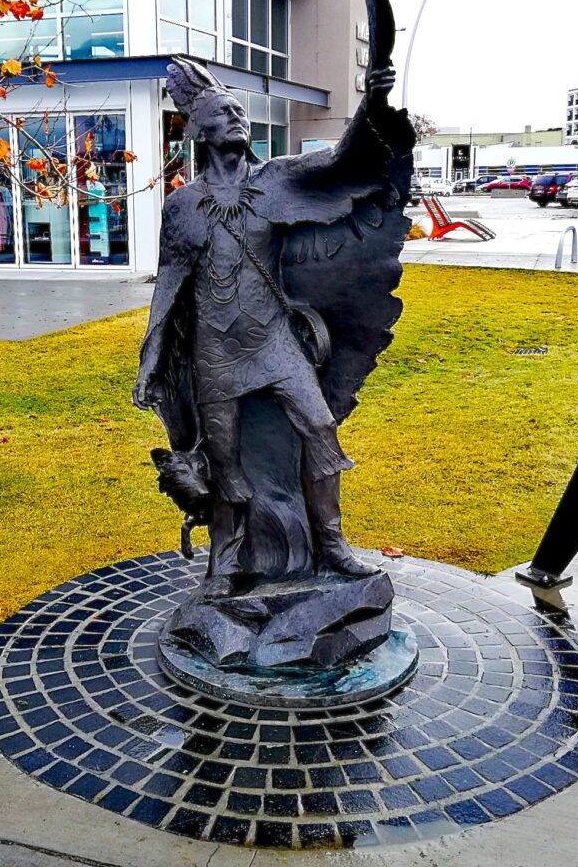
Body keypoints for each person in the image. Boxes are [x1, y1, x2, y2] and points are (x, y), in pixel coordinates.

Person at [133, 57, 412, 600]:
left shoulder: (278, 179)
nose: (237, 119)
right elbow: (168, 285)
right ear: (198, 130)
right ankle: (226, 562)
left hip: (276, 342)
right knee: (225, 458)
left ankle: (331, 546)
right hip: (215, 353)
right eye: (223, 112)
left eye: (240, 111)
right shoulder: (182, 207)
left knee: (320, 429)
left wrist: (370, 102)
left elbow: (341, 160)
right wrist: (150, 360)